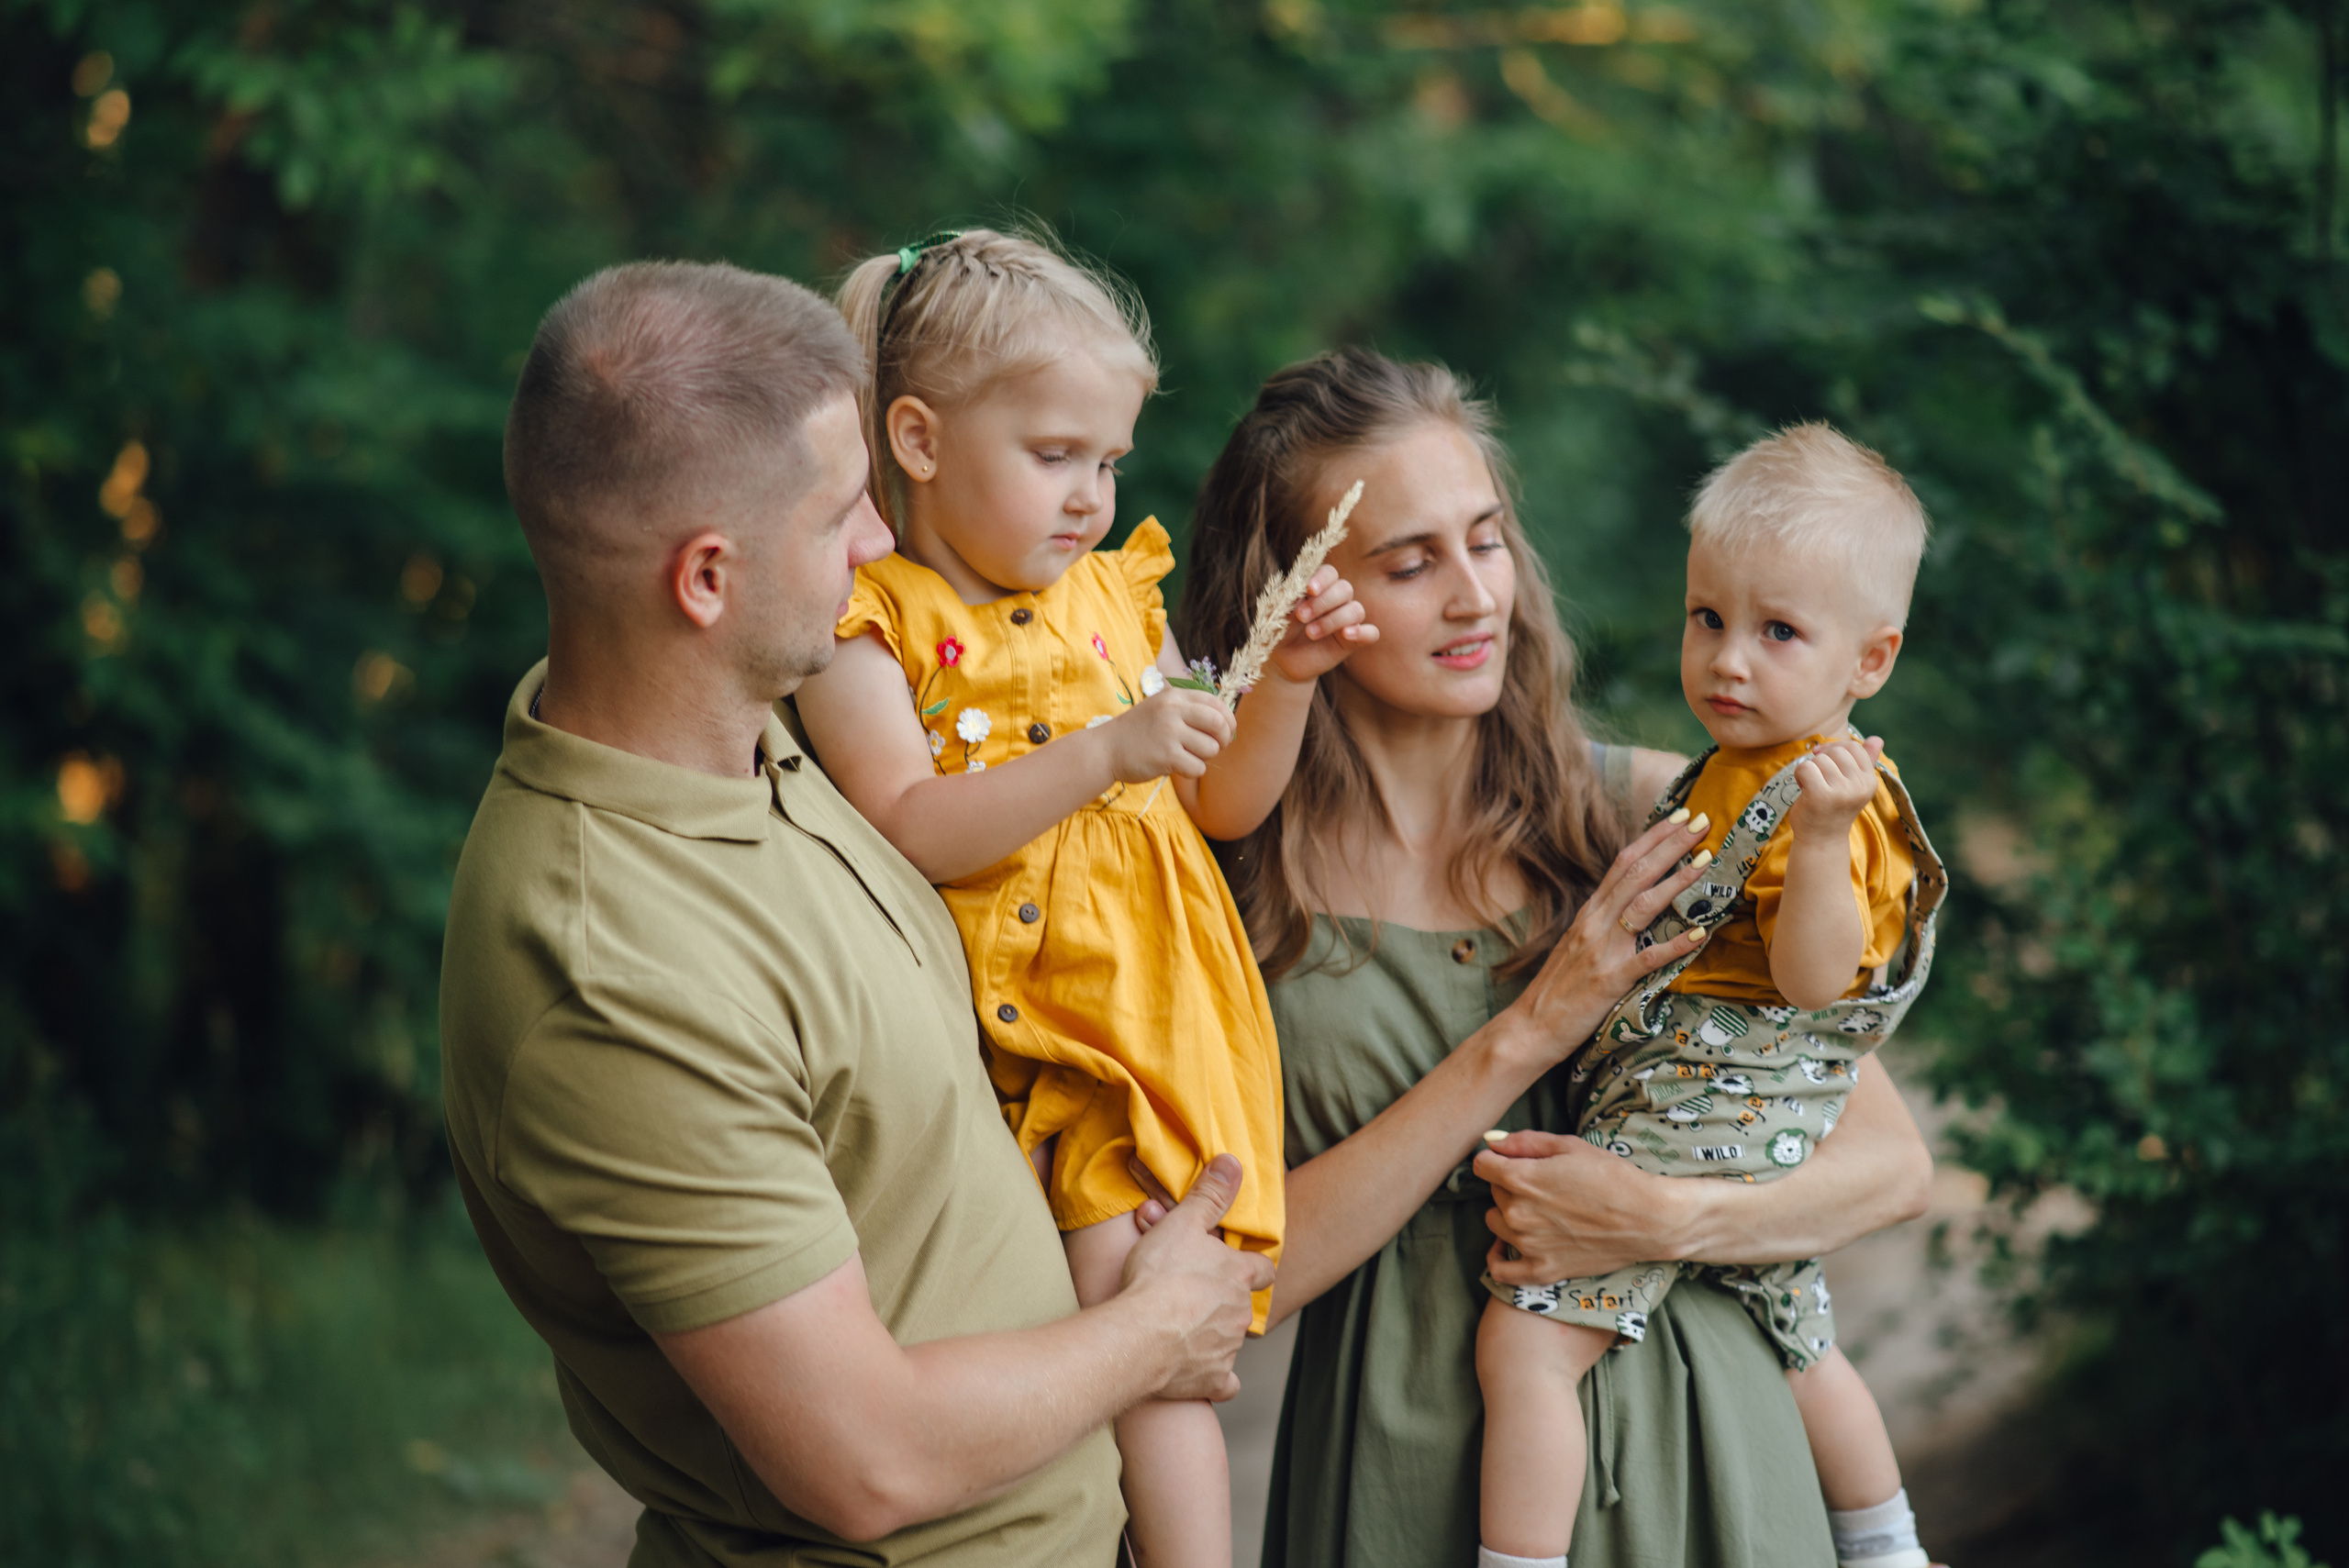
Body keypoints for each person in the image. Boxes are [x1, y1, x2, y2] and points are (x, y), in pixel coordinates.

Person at [439, 259, 1272, 1568]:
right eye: (843, 516)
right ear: (706, 578)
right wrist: (1157, 1332)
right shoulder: (611, 974)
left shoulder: (744, 744)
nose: (885, 545)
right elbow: (865, 1462)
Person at [1173, 349, 1937, 1567]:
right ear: (1300, 596)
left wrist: (1663, 1214)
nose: (1477, 596)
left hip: (1707, 1430)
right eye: (1411, 563)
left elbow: (1892, 1167)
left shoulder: (1647, 822)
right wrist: (1529, 1031)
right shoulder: (1219, 883)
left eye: (1485, 540)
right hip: (1397, 1463)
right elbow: (1229, 1289)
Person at [796, 228, 1372, 1568]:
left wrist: (1280, 686)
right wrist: (1104, 751)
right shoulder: (866, 621)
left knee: (1177, 1306)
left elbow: (1219, 805)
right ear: (921, 441)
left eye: (1109, 461)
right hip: (1041, 1020)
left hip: (1160, 1006)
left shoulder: (1115, 599)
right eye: (1055, 456)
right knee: (1142, 1322)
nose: (1092, 498)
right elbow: (909, 823)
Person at [1475, 423, 1944, 1568]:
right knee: (1795, 1328)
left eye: (1778, 631)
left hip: (1713, 1099)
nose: (1729, 659)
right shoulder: (1740, 762)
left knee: (1525, 1347)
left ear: (1867, 661)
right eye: (1708, 618)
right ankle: (1885, 1549)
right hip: (1725, 1102)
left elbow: (1813, 977)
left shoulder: (1837, 797)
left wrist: (1825, 839)